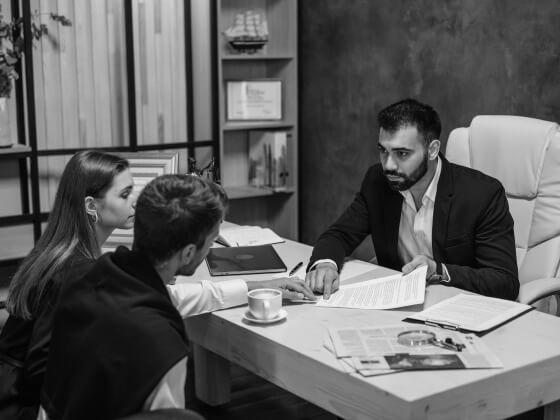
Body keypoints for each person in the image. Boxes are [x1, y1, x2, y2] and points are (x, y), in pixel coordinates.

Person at [39, 174, 315, 420]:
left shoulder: (93, 277)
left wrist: (259, 285)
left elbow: (183, 296)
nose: (212, 248)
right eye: (212, 242)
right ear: (188, 253)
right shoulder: (161, 341)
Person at [305, 98, 519, 300]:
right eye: (383, 151)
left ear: (432, 150)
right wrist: (325, 264)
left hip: (458, 308)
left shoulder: (482, 195)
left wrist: (438, 270)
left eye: (402, 154)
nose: (388, 165)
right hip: (397, 303)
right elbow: (340, 234)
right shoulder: (378, 181)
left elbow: (504, 281)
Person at [0, 150, 136, 420]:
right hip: (20, 405)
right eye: (125, 194)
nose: (135, 201)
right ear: (90, 206)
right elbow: (40, 368)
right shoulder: (74, 270)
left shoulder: (62, 252)